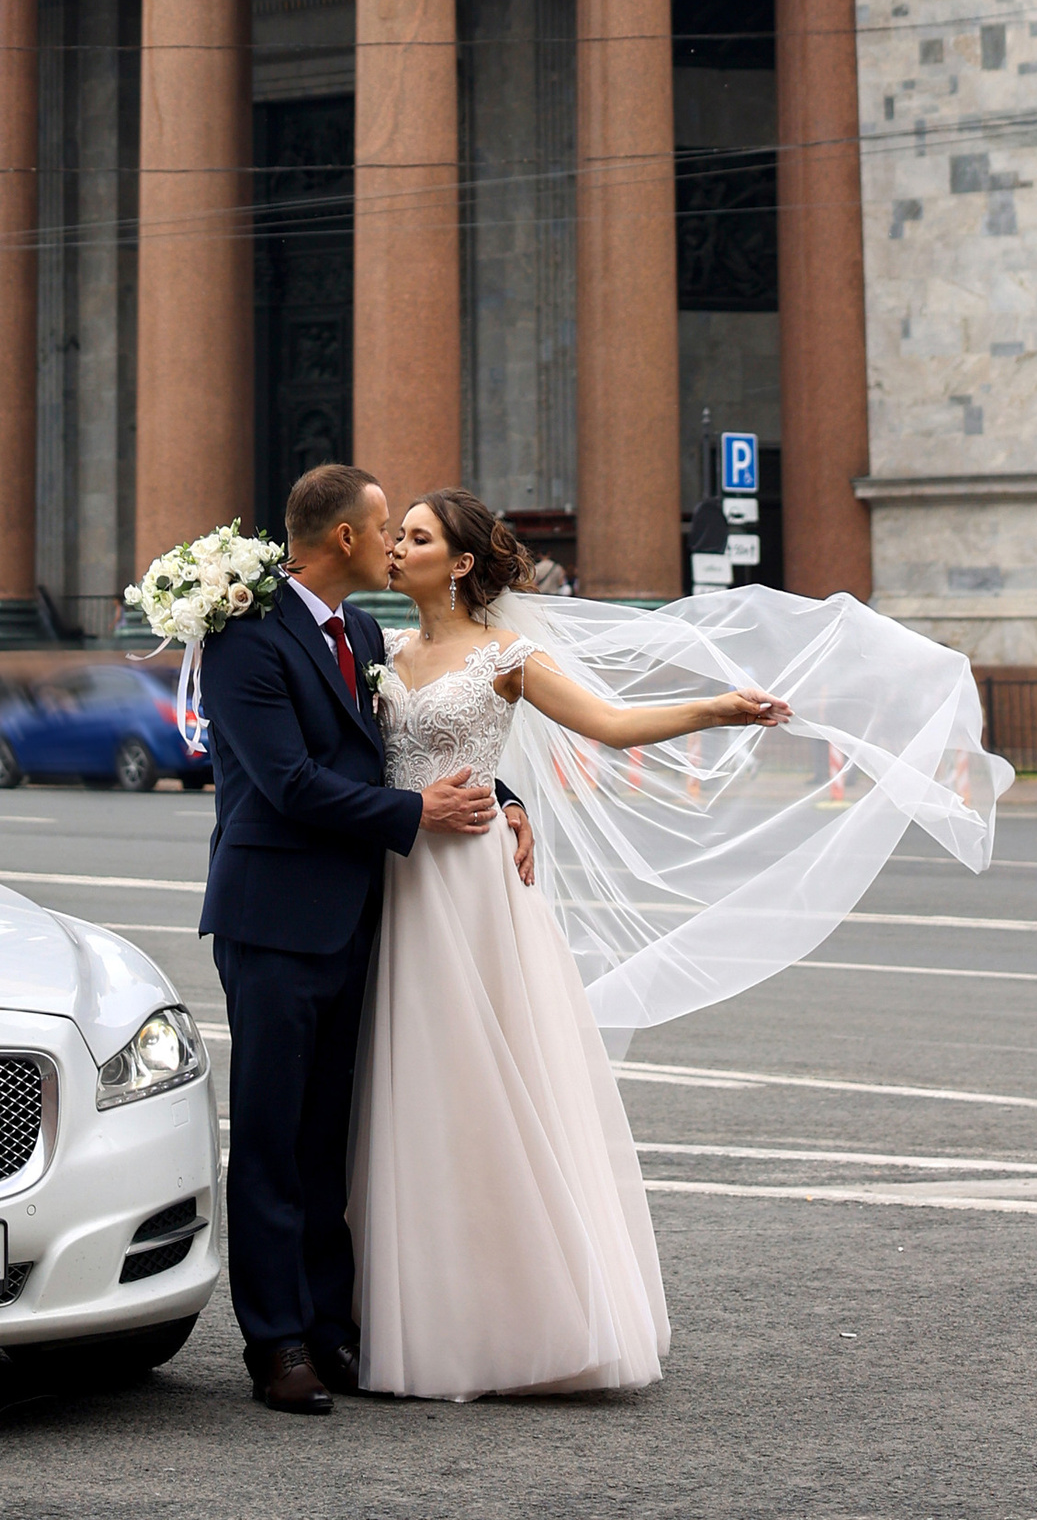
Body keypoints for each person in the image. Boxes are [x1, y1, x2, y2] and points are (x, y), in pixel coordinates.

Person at [349, 493, 789, 1396]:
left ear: (461, 564)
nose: (397, 547)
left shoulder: (508, 658)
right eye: (398, 534)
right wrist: (508, 798)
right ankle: (418, 1312)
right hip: (398, 883)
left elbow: (609, 723)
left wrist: (713, 709)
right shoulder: (381, 653)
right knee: (413, 1093)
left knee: (488, 1090)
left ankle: (520, 1319)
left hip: (470, 893)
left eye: (418, 536)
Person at [197, 465, 514, 1413]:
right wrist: (413, 811)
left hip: (355, 914)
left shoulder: (365, 632)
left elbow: (400, 751)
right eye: (385, 529)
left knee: (328, 1136)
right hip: (273, 917)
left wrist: (499, 795)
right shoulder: (243, 636)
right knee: (269, 1138)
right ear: (344, 540)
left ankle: (332, 1327)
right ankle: (276, 1344)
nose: (393, 544)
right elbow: (288, 780)